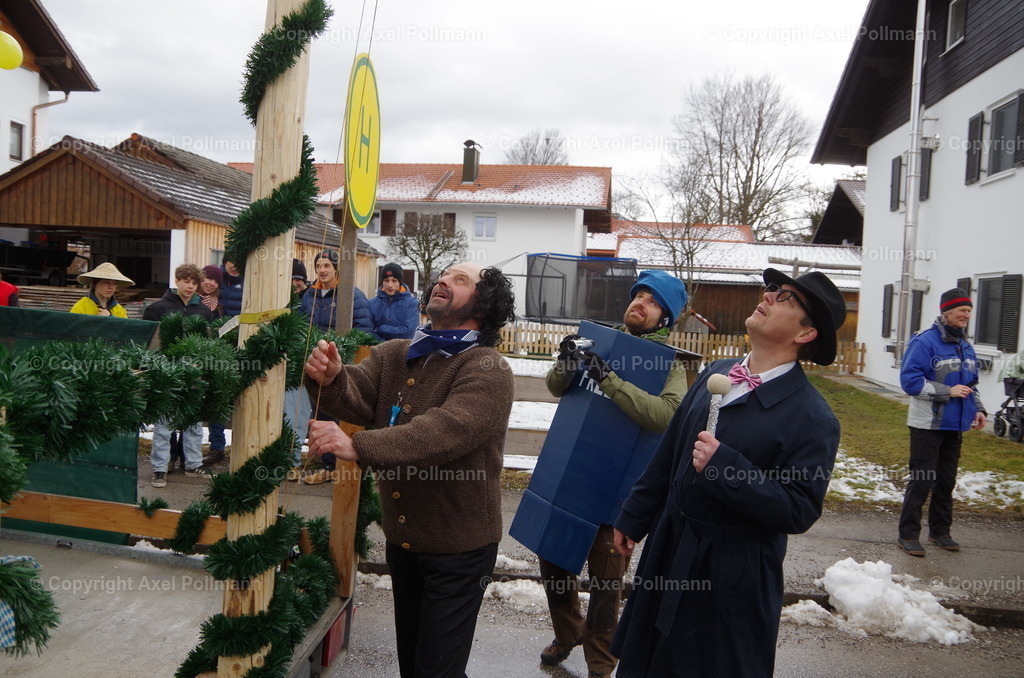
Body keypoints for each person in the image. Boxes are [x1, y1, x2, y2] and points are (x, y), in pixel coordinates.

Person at [610, 268, 847, 678]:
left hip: (728, 578)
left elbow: (798, 509)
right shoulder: (716, 372)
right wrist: (636, 513)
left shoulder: (813, 418)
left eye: (786, 297)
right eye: (772, 288)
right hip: (669, 548)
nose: (769, 296)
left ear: (805, 334)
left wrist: (726, 468)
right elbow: (670, 452)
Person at [303, 262, 516, 678]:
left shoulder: (488, 368)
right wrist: (331, 378)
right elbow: (358, 396)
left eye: (460, 280)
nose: (443, 282)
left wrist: (356, 445)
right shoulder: (397, 353)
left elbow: (442, 433)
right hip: (406, 542)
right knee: (414, 666)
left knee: (437, 670)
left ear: (484, 302)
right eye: (443, 275)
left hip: (459, 549)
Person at [537, 270, 690, 678]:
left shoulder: (668, 364)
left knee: (606, 583)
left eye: (652, 300)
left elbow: (665, 416)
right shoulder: (597, 340)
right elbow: (556, 386)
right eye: (637, 294)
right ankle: (568, 632)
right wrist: (569, 359)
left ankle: (601, 664)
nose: (639, 302)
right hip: (573, 475)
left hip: (619, 488)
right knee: (552, 559)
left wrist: (610, 380)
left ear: (665, 318)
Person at [897, 288, 987, 557]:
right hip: (927, 425)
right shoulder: (924, 342)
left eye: (969, 311)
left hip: (955, 424)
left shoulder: (966, 346)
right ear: (946, 311)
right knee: (922, 479)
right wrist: (947, 391)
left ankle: (940, 532)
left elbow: (970, 385)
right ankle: (908, 535)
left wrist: (979, 409)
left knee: (946, 481)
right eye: (962, 311)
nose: (966, 316)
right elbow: (909, 382)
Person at [143, 264, 216, 487]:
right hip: (166, 371)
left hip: (193, 372)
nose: (190, 286)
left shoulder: (203, 312)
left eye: (194, 283)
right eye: (186, 281)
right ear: (177, 281)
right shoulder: (157, 309)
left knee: (193, 423)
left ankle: (193, 463)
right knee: (164, 423)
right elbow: (150, 343)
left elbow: (208, 342)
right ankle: (159, 468)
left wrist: (204, 365)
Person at [298, 249, 377, 336]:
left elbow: (363, 329)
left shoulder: (353, 296)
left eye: (327, 266)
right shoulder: (309, 295)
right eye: (318, 266)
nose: (322, 270)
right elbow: (300, 324)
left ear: (336, 268)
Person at [198, 264, 227, 466]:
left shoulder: (215, 304)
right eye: (208, 278)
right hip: (191, 357)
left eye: (215, 281)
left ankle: (217, 447)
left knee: (216, 401)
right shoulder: (190, 300)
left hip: (211, 357)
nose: (211, 283)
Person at [368, 262, 420, 340]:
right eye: (386, 280)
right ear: (382, 282)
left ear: (400, 283)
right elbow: (368, 332)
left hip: (403, 351)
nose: (390, 285)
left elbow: (408, 332)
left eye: (394, 281)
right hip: (377, 350)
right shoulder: (371, 304)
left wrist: (382, 329)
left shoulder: (412, 303)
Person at [68, 262, 134, 317]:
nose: (111, 287)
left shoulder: (118, 310)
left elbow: (124, 330)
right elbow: (73, 328)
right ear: (95, 284)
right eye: (106, 282)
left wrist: (110, 318)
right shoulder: (82, 306)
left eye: (114, 283)